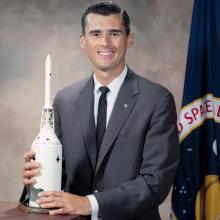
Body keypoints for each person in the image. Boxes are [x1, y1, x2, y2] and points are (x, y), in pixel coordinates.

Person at [21, 1, 179, 220]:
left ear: (129, 39)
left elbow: (156, 182)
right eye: (95, 34)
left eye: (114, 34)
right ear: (83, 41)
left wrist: (89, 204)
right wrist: (37, 181)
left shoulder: (157, 100)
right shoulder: (64, 100)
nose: (105, 43)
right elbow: (63, 174)